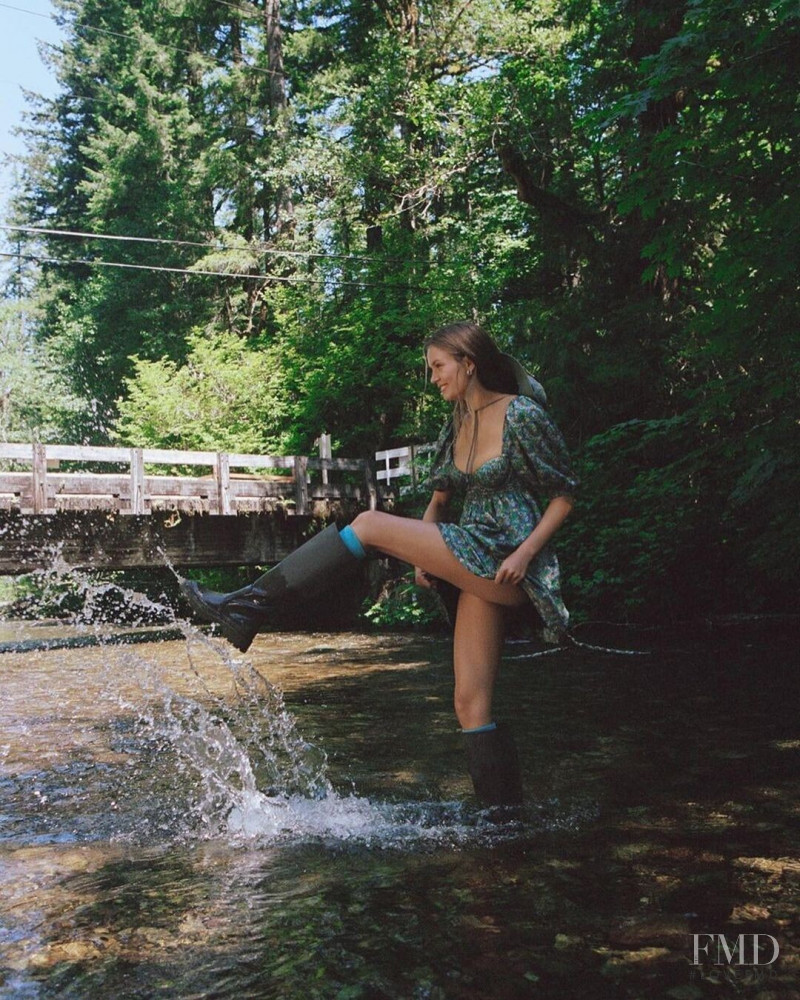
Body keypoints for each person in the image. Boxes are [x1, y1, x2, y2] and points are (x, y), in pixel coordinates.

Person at [181, 321, 578, 814]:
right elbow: (438, 501)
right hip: (470, 547)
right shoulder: (456, 422)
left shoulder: (521, 415)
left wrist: (523, 554)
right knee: (469, 703)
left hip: (508, 558)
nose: (432, 378)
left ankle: (249, 608)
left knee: (368, 525)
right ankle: (505, 818)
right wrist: (422, 552)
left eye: (438, 367)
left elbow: (564, 496)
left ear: (469, 363)